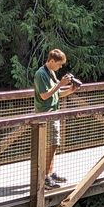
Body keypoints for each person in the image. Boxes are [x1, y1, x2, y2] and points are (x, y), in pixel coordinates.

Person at [33, 49, 77, 188]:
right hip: (45, 113)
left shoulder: (51, 72)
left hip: (54, 112)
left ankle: (50, 173)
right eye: (59, 64)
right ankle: (45, 177)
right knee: (52, 143)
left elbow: (57, 94)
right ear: (51, 61)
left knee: (54, 144)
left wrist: (71, 89)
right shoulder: (41, 74)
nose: (60, 67)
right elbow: (44, 95)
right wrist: (60, 84)